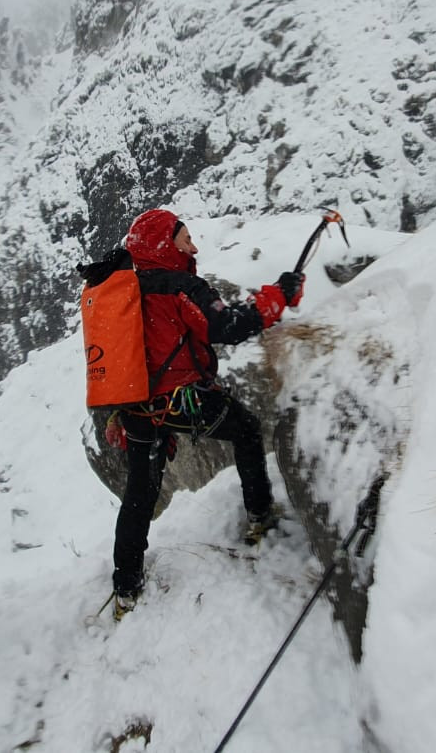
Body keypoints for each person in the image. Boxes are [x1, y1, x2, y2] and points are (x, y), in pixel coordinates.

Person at [105, 209, 304, 619]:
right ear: (164, 244)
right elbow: (225, 326)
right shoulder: (181, 286)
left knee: (140, 492)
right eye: (184, 239)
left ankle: (126, 586)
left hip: (137, 407)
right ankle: (260, 516)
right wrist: (279, 296)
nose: (193, 247)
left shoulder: (123, 290)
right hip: (180, 401)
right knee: (246, 430)